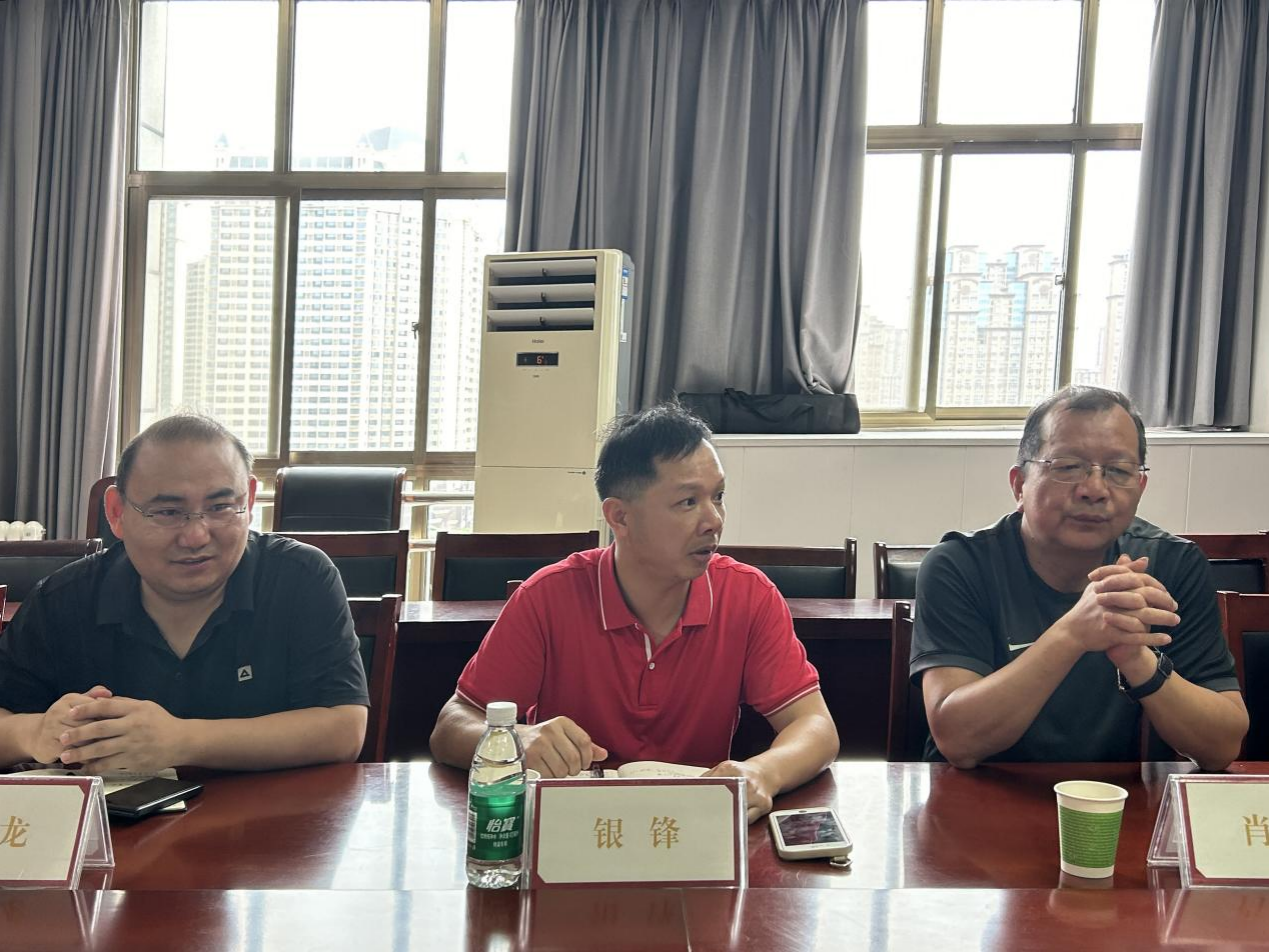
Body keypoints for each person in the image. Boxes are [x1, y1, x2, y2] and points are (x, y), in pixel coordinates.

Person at [430, 404, 839, 821]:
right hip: (573, 828)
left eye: (718, 497)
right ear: (620, 516)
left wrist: (762, 772)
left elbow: (816, 727)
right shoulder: (548, 596)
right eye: (688, 502)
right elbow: (451, 726)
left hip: (694, 827)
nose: (713, 520)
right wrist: (517, 740)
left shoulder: (748, 595)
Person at [0, 414, 369, 772]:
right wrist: (36, 732)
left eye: (220, 507)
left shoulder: (300, 578)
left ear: (250, 501)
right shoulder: (62, 600)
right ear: (116, 513)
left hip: (271, 811)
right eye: (168, 512)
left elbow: (344, 729)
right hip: (114, 816)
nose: (196, 536)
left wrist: (181, 741)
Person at [911, 386, 1248, 768]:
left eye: (1118, 471)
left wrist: (1137, 659)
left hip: (1117, 797)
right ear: (1019, 484)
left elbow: (1222, 746)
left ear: (1139, 487)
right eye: (1068, 467)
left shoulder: (1173, 565)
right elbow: (958, 740)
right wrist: (1072, 634)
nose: (1095, 489)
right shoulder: (958, 565)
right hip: (975, 794)